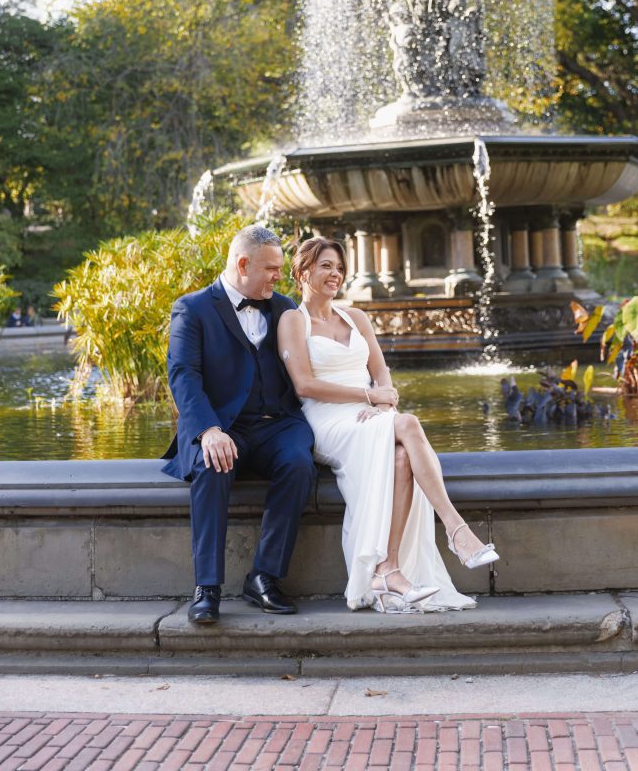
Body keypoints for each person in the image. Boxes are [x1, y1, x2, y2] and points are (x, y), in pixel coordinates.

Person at [277, 237, 499, 613]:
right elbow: (304, 384)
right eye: (326, 265)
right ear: (303, 271)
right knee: (409, 425)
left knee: (401, 460)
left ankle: (388, 569)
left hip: (370, 413)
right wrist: (369, 398)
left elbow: (382, 375)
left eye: (339, 267)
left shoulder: (356, 317)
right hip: (327, 418)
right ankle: (457, 531)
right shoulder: (292, 320)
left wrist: (382, 402)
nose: (336, 274)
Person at [162, 225, 317, 626]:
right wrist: (208, 430)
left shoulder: (284, 308)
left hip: (277, 424)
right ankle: (207, 588)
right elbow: (183, 374)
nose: (279, 277)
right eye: (271, 269)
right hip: (221, 424)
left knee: (299, 463)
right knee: (212, 465)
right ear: (242, 263)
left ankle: (264, 577)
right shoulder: (192, 308)